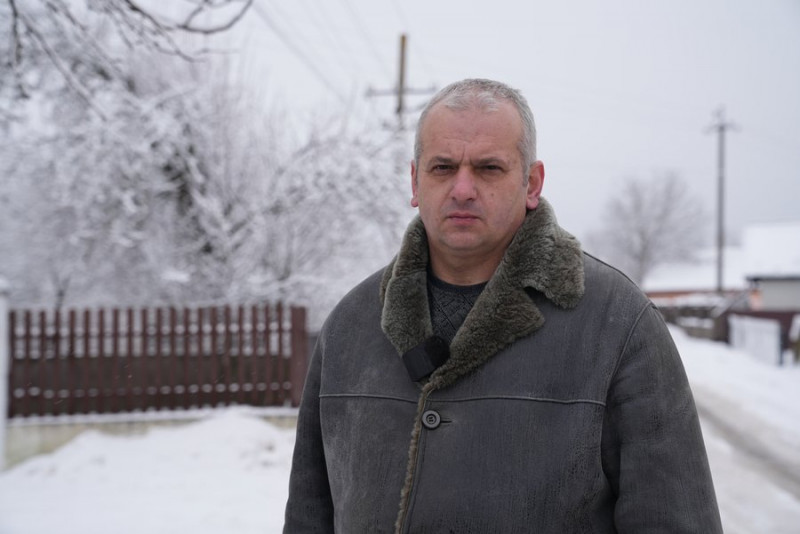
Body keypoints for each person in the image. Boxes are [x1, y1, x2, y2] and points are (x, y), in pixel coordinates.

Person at [283, 78, 723, 533]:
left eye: (489, 168)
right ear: (415, 181)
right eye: (443, 167)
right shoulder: (351, 325)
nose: (463, 189)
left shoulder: (618, 325)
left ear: (532, 182)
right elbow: (308, 517)